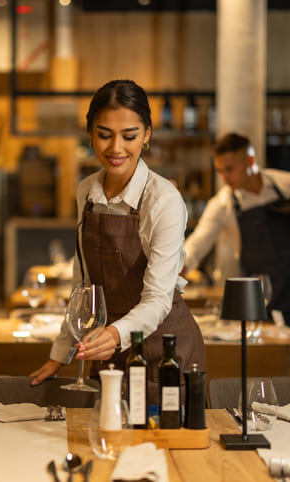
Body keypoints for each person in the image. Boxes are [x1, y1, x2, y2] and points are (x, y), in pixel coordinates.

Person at [30, 80, 206, 405]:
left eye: (129, 136)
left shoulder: (164, 200)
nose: (116, 149)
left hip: (164, 349)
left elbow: (157, 299)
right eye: (104, 134)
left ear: (147, 135)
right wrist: (60, 353)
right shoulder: (86, 191)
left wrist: (114, 334)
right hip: (107, 349)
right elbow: (83, 287)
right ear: (90, 133)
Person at [183, 132, 290, 376]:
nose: (224, 177)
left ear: (250, 162)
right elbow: (199, 242)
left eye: (229, 169)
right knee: (264, 377)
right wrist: (182, 263)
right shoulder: (222, 205)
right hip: (261, 300)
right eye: (219, 170)